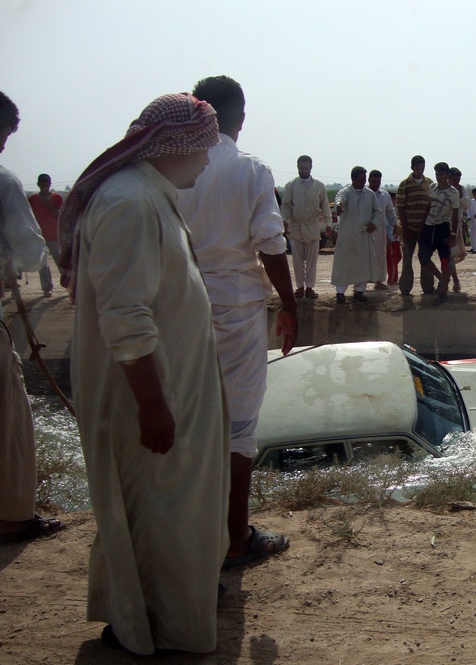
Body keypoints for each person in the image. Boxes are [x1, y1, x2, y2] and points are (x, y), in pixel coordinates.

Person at [59, 93, 228, 655]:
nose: (207, 161)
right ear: (173, 146)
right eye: (203, 148)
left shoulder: (148, 195)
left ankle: (139, 616)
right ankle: (166, 628)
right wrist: (154, 405)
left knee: (161, 505)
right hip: (151, 394)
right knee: (164, 507)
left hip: (170, 383)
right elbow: (125, 316)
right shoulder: (129, 203)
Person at [176, 75, 295, 570]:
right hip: (237, 309)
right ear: (239, 118)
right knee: (239, 427)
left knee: (188, 420)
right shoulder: (249, 169)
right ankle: (234, 538)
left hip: (180, 304)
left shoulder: (170, 167)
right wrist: (291, 305)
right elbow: (270, 242)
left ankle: (191, 532)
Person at [0, 88, 64, 545]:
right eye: (6, 131)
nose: (5, 142)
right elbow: (29, 254)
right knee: (0, 420)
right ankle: (15, 516)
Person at [281, 155, 332, 299]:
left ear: (311, 168)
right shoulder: (290, 185)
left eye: (306, 168)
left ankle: (309, 287)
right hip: (295, 226)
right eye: (301, 168)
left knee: (312, 260)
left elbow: (325, 207)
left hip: (312, 226)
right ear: (297, 167)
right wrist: (284, 221)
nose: (303, 171)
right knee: (297, 260)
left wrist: (328, 224)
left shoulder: (319, 186)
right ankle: (299, 287)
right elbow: (286, 206)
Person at [332, 166, 382, 303]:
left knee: (363, 266)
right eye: (361, 179)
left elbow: (377, 211)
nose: (364, 182)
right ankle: (340, 293)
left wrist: (373, 223)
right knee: (344, 265)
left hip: (364, 235)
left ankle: (359, 291)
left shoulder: (370, 194)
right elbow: (340, 200)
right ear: (353, 179)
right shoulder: (346, 192)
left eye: (364, 179)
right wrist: (339, 206)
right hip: (347, 236)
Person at [417, 162, 459, 303]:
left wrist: (453, 234)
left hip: (443, 228)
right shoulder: (432, 187)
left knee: (444, 259)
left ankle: (443, 291)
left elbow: (455, 213)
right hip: (429, 227)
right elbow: (428, 206)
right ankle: (441, 278)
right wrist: (422, 224)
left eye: (441, 174)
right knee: (423, 257)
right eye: (436, 174)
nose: (438, 177)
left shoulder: (453, 192)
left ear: (447, 175)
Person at [395, 155, 434, 295]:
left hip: (425, 228)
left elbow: (431, 205)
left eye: (422, 169)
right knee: (407, 259)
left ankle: (428, 288)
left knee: (425, 258)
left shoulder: (430, 183)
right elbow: (400, 207)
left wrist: (425, 226)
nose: (420, 171)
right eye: (418, 169)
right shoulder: (405, 184)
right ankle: (405, 289)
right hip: (409, 228)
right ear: (412, 168)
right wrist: (405, 228)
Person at [28, 173, 64, 297]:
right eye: (42, 184)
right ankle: (47, 287)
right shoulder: (32, 199)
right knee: (42, 263)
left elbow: (59, 216)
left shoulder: (57, 198)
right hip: (39, 236)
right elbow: (30, 216)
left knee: (60, 261)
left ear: (50, 184)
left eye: (47, 184)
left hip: (54, 235)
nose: (45, 186)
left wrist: (48, 204)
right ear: (38, 184)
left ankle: (69, 284)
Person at [367, 169, 397, 291]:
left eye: (378, 182)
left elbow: (390, 212)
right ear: (369, 180)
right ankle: (359, 283)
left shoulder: (385, 196)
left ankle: (379, 281)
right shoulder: (363, 194)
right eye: (373, 181)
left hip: (380, 231)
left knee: (380, 255)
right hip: (364, 231)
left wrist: (395, 225)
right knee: (363, 256)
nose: (375, 184)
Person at [448, 167, 469, 292]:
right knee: (449, 255)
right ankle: (453, 279)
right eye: (454, 178)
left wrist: (460, 195)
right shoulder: (445, 190)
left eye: (458, 178)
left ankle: (452, 278)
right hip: (445, 225)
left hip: (457, 227)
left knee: (452, 255)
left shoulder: (461, 189)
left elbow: (466, 206)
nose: (456, 181)